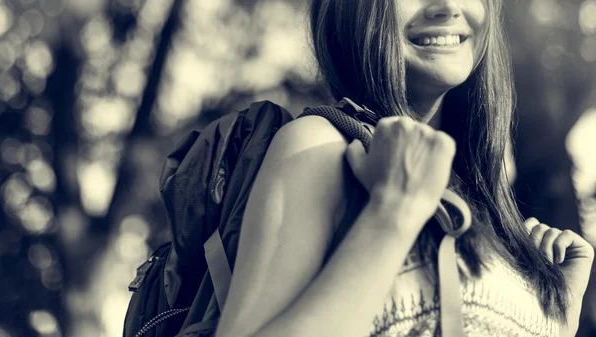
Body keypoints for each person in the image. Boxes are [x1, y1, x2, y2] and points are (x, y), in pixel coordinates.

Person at [214, 0, 595, 336]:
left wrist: (556, 316)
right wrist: (393, 214)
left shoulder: (488, 203)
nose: (446, 6)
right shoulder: (320, 146)